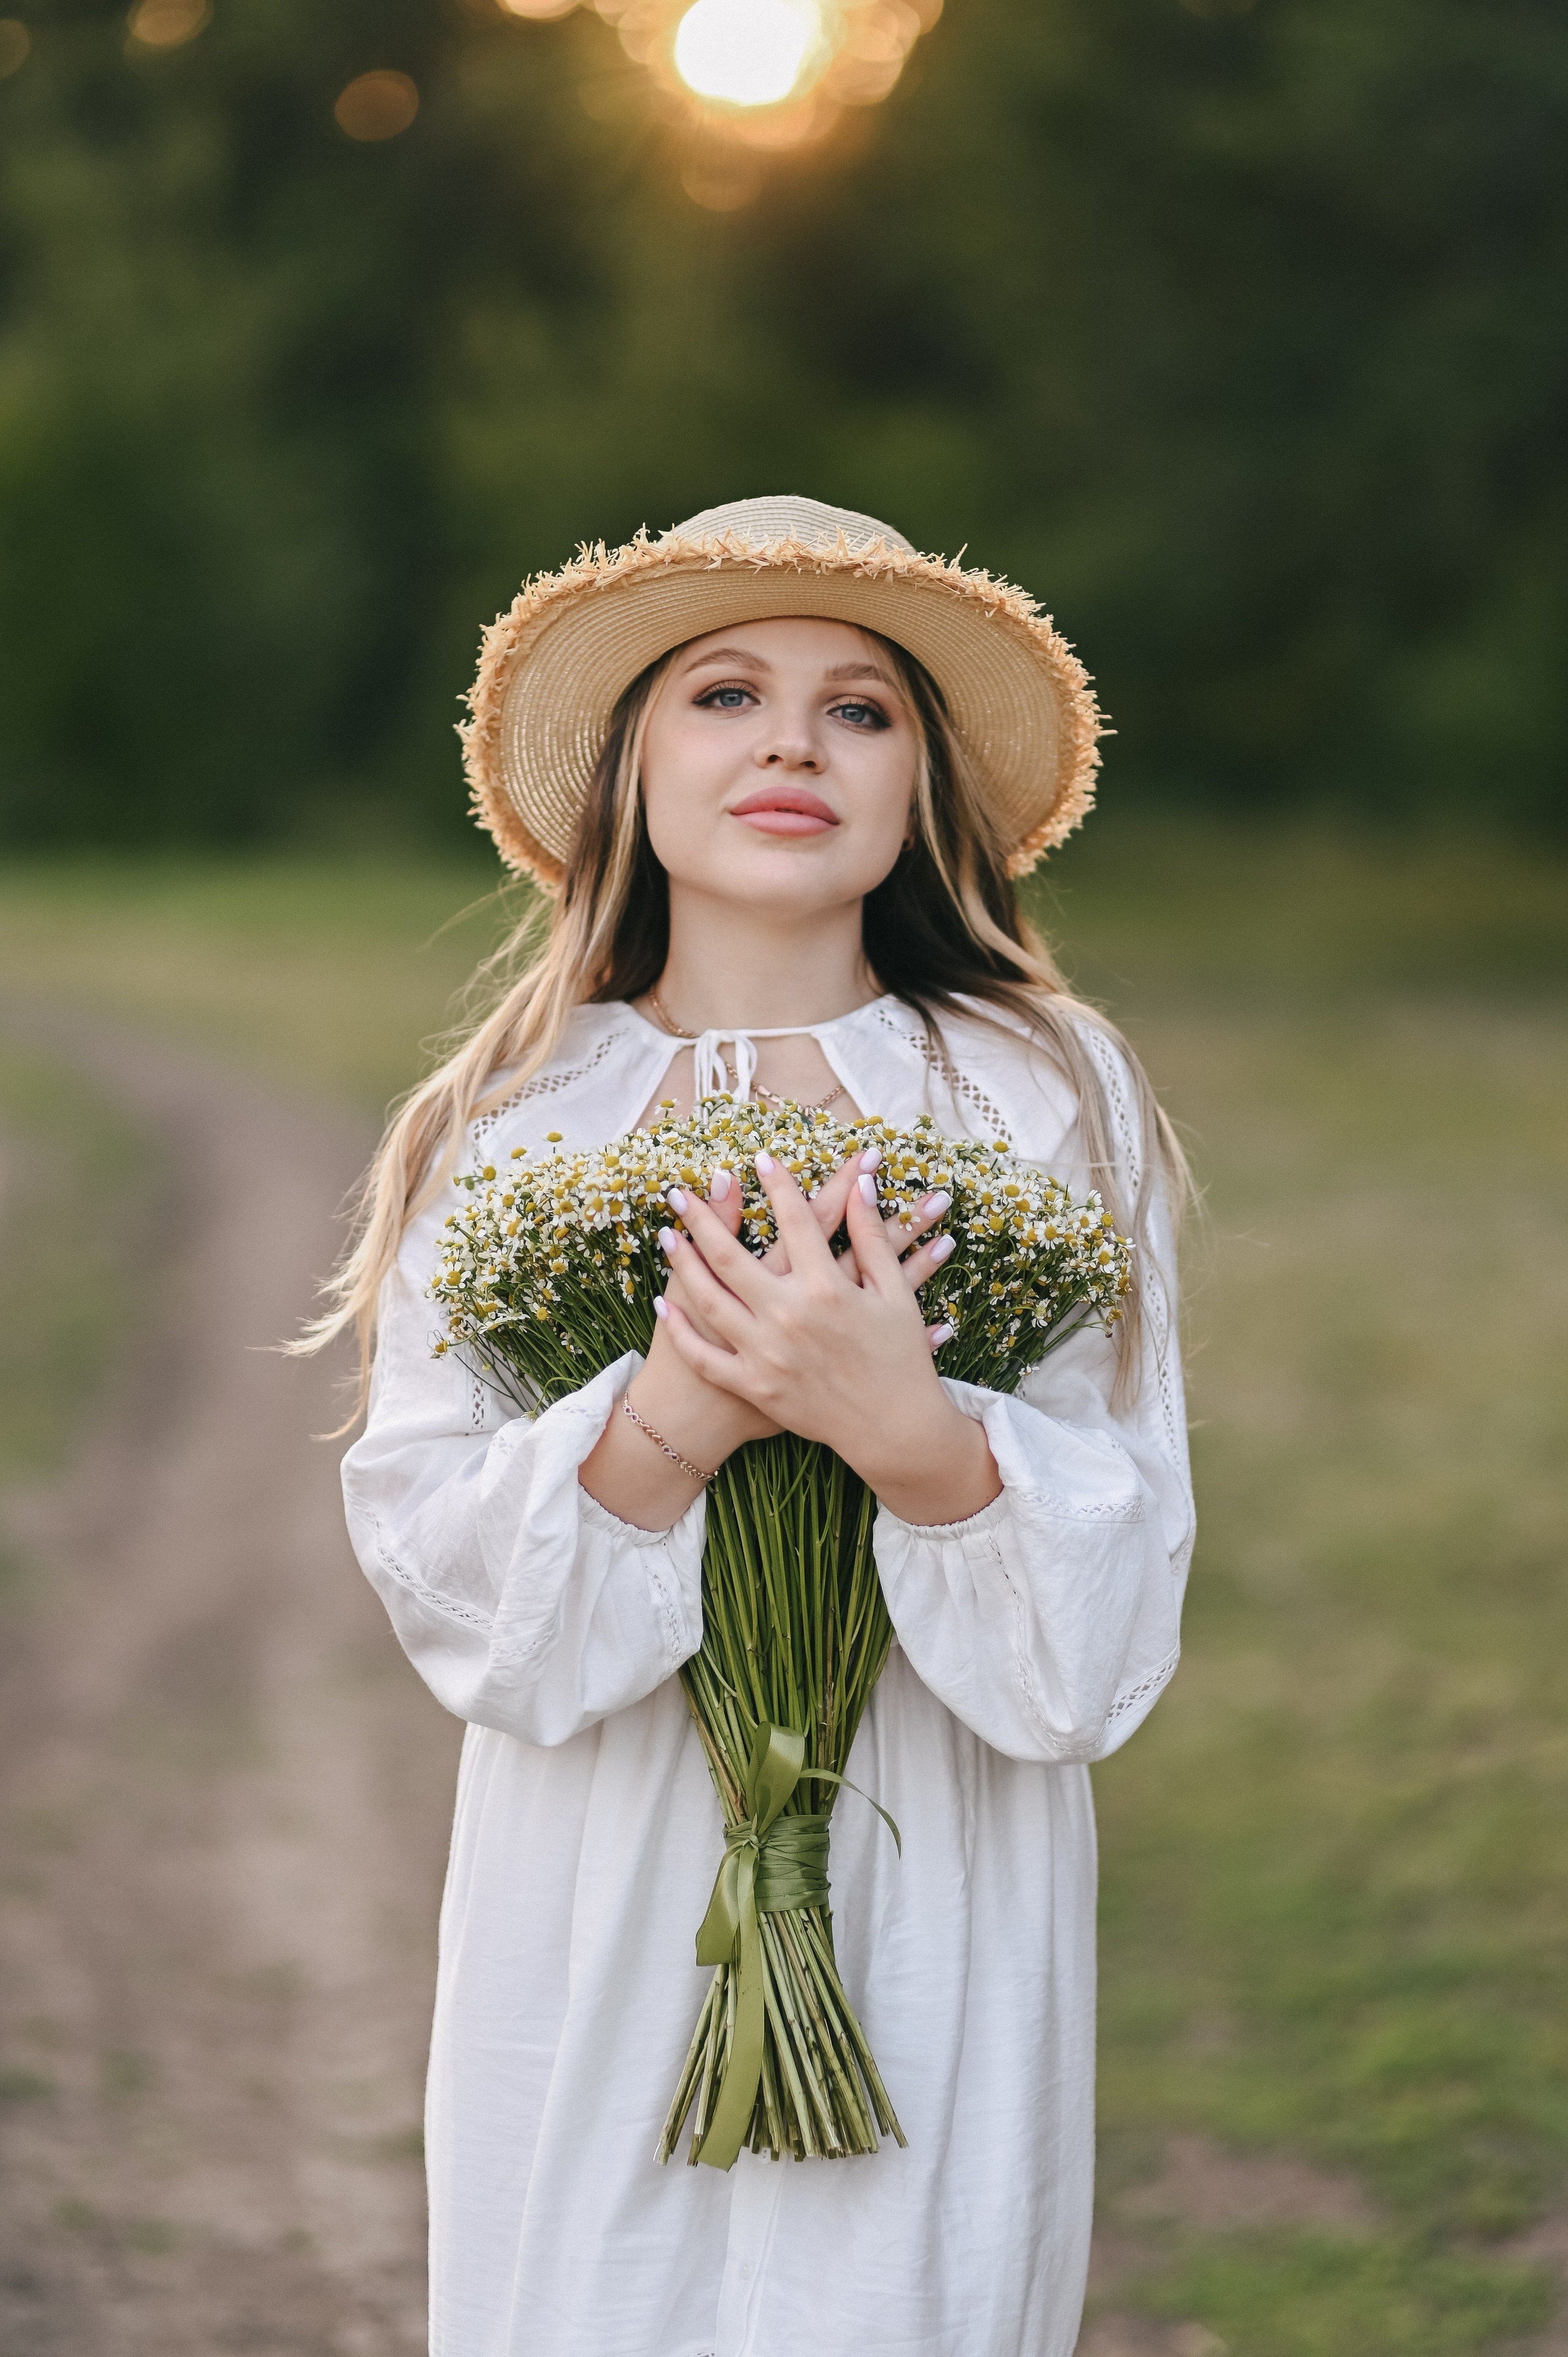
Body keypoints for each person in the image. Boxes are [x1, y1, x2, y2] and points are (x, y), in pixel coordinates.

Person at [320, 496, 1194, 2357]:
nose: (795, 739)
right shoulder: (511, 1125)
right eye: (726, 692)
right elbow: (450, 1582)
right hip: (613, 1872)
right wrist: (670, 1418)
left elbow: (1108, 1609)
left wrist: (914, 1440)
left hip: (932, 1864)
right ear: (634, 766)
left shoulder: (1040, 1090)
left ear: (918, 793)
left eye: (861, 709)